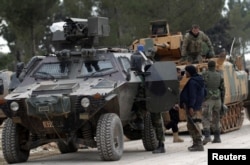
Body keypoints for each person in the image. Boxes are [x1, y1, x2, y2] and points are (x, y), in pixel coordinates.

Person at [180, 65, 205, 151]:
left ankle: (198, 144)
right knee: (193, 124)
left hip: (192, 107)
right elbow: (204, 93)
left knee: (193, 125)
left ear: (189, 72)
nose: (185, 73)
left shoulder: (192, 82)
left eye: (186, 71)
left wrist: (191, 106)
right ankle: (196, 143)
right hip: (197, 106)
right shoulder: (199, 80)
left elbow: (192, 95)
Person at [201, 60, 225, 145]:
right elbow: (223, 89)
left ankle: (207, 136)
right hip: (217, 99)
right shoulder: (219, 75)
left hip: (208, 99)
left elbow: (201, 85)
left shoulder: (204, 74)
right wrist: (222, 101)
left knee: (205, 117)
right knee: (216, 118)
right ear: (215, 66)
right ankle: (217, 137)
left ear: (208, 66)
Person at [165, 68, 184, 143]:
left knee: (175, 120)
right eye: (178, 72)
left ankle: (176, 137)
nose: (179, 74)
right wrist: (175, 103)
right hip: (172, 103)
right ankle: (165, 127)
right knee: (175, 120)